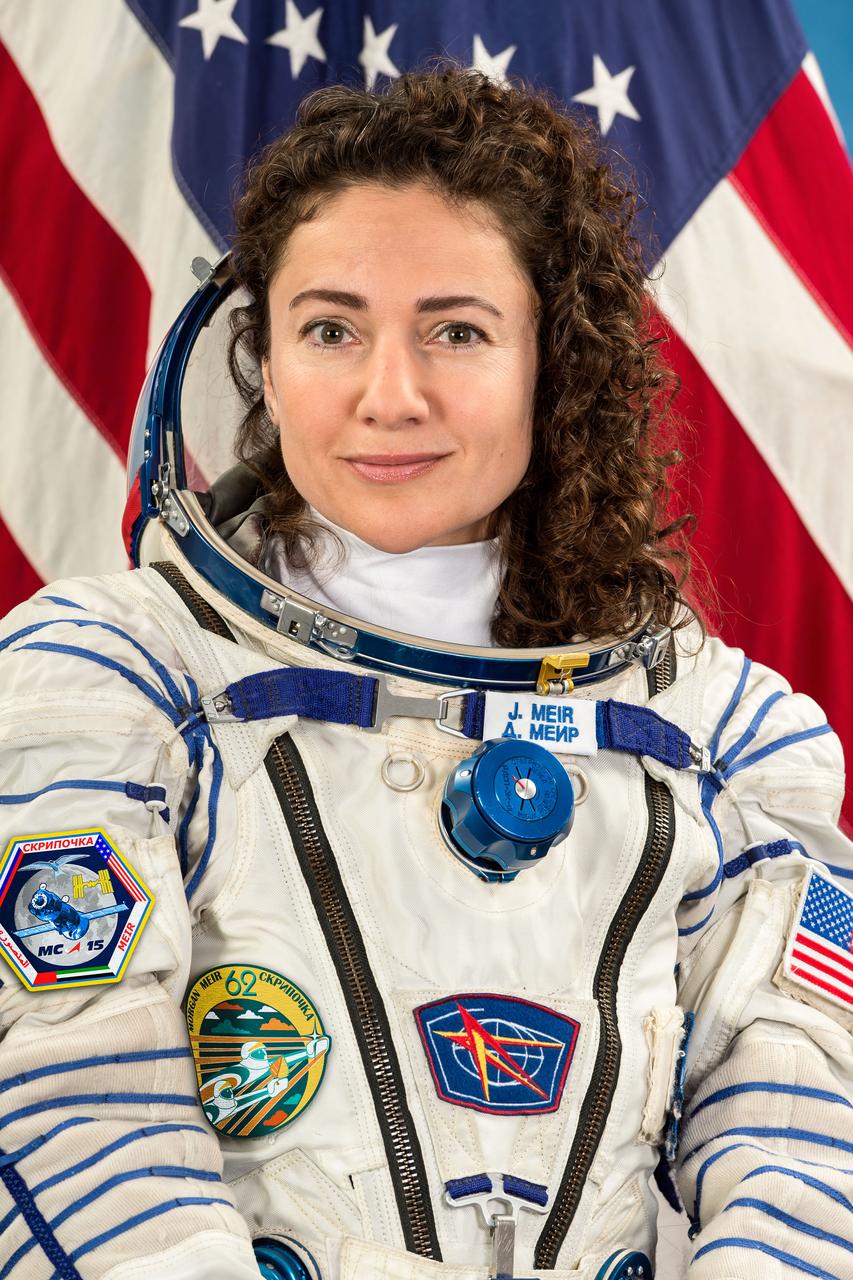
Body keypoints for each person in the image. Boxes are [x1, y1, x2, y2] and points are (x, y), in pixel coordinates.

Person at [0, 67, 850, 1280]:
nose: (386, 394)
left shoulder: (719, 734)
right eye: (329, 328)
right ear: (266, 357)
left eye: (456, 329)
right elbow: (66, 1110)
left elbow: (806, 1140)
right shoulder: (113, 684)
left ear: (554, 364)